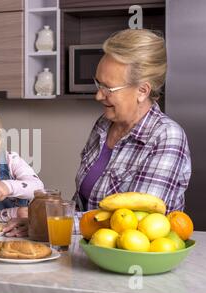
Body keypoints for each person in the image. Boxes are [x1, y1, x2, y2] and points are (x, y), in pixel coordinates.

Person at [74, 29, 191, 213]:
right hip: (88, 242)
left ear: (142, 91)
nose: (98, 96)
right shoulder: (103, 125)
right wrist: (45, 215)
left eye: (108, 88)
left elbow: (133, 222)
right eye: (98, 84)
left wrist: (56, 223)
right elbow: (82, 202)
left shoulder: (166, 136)